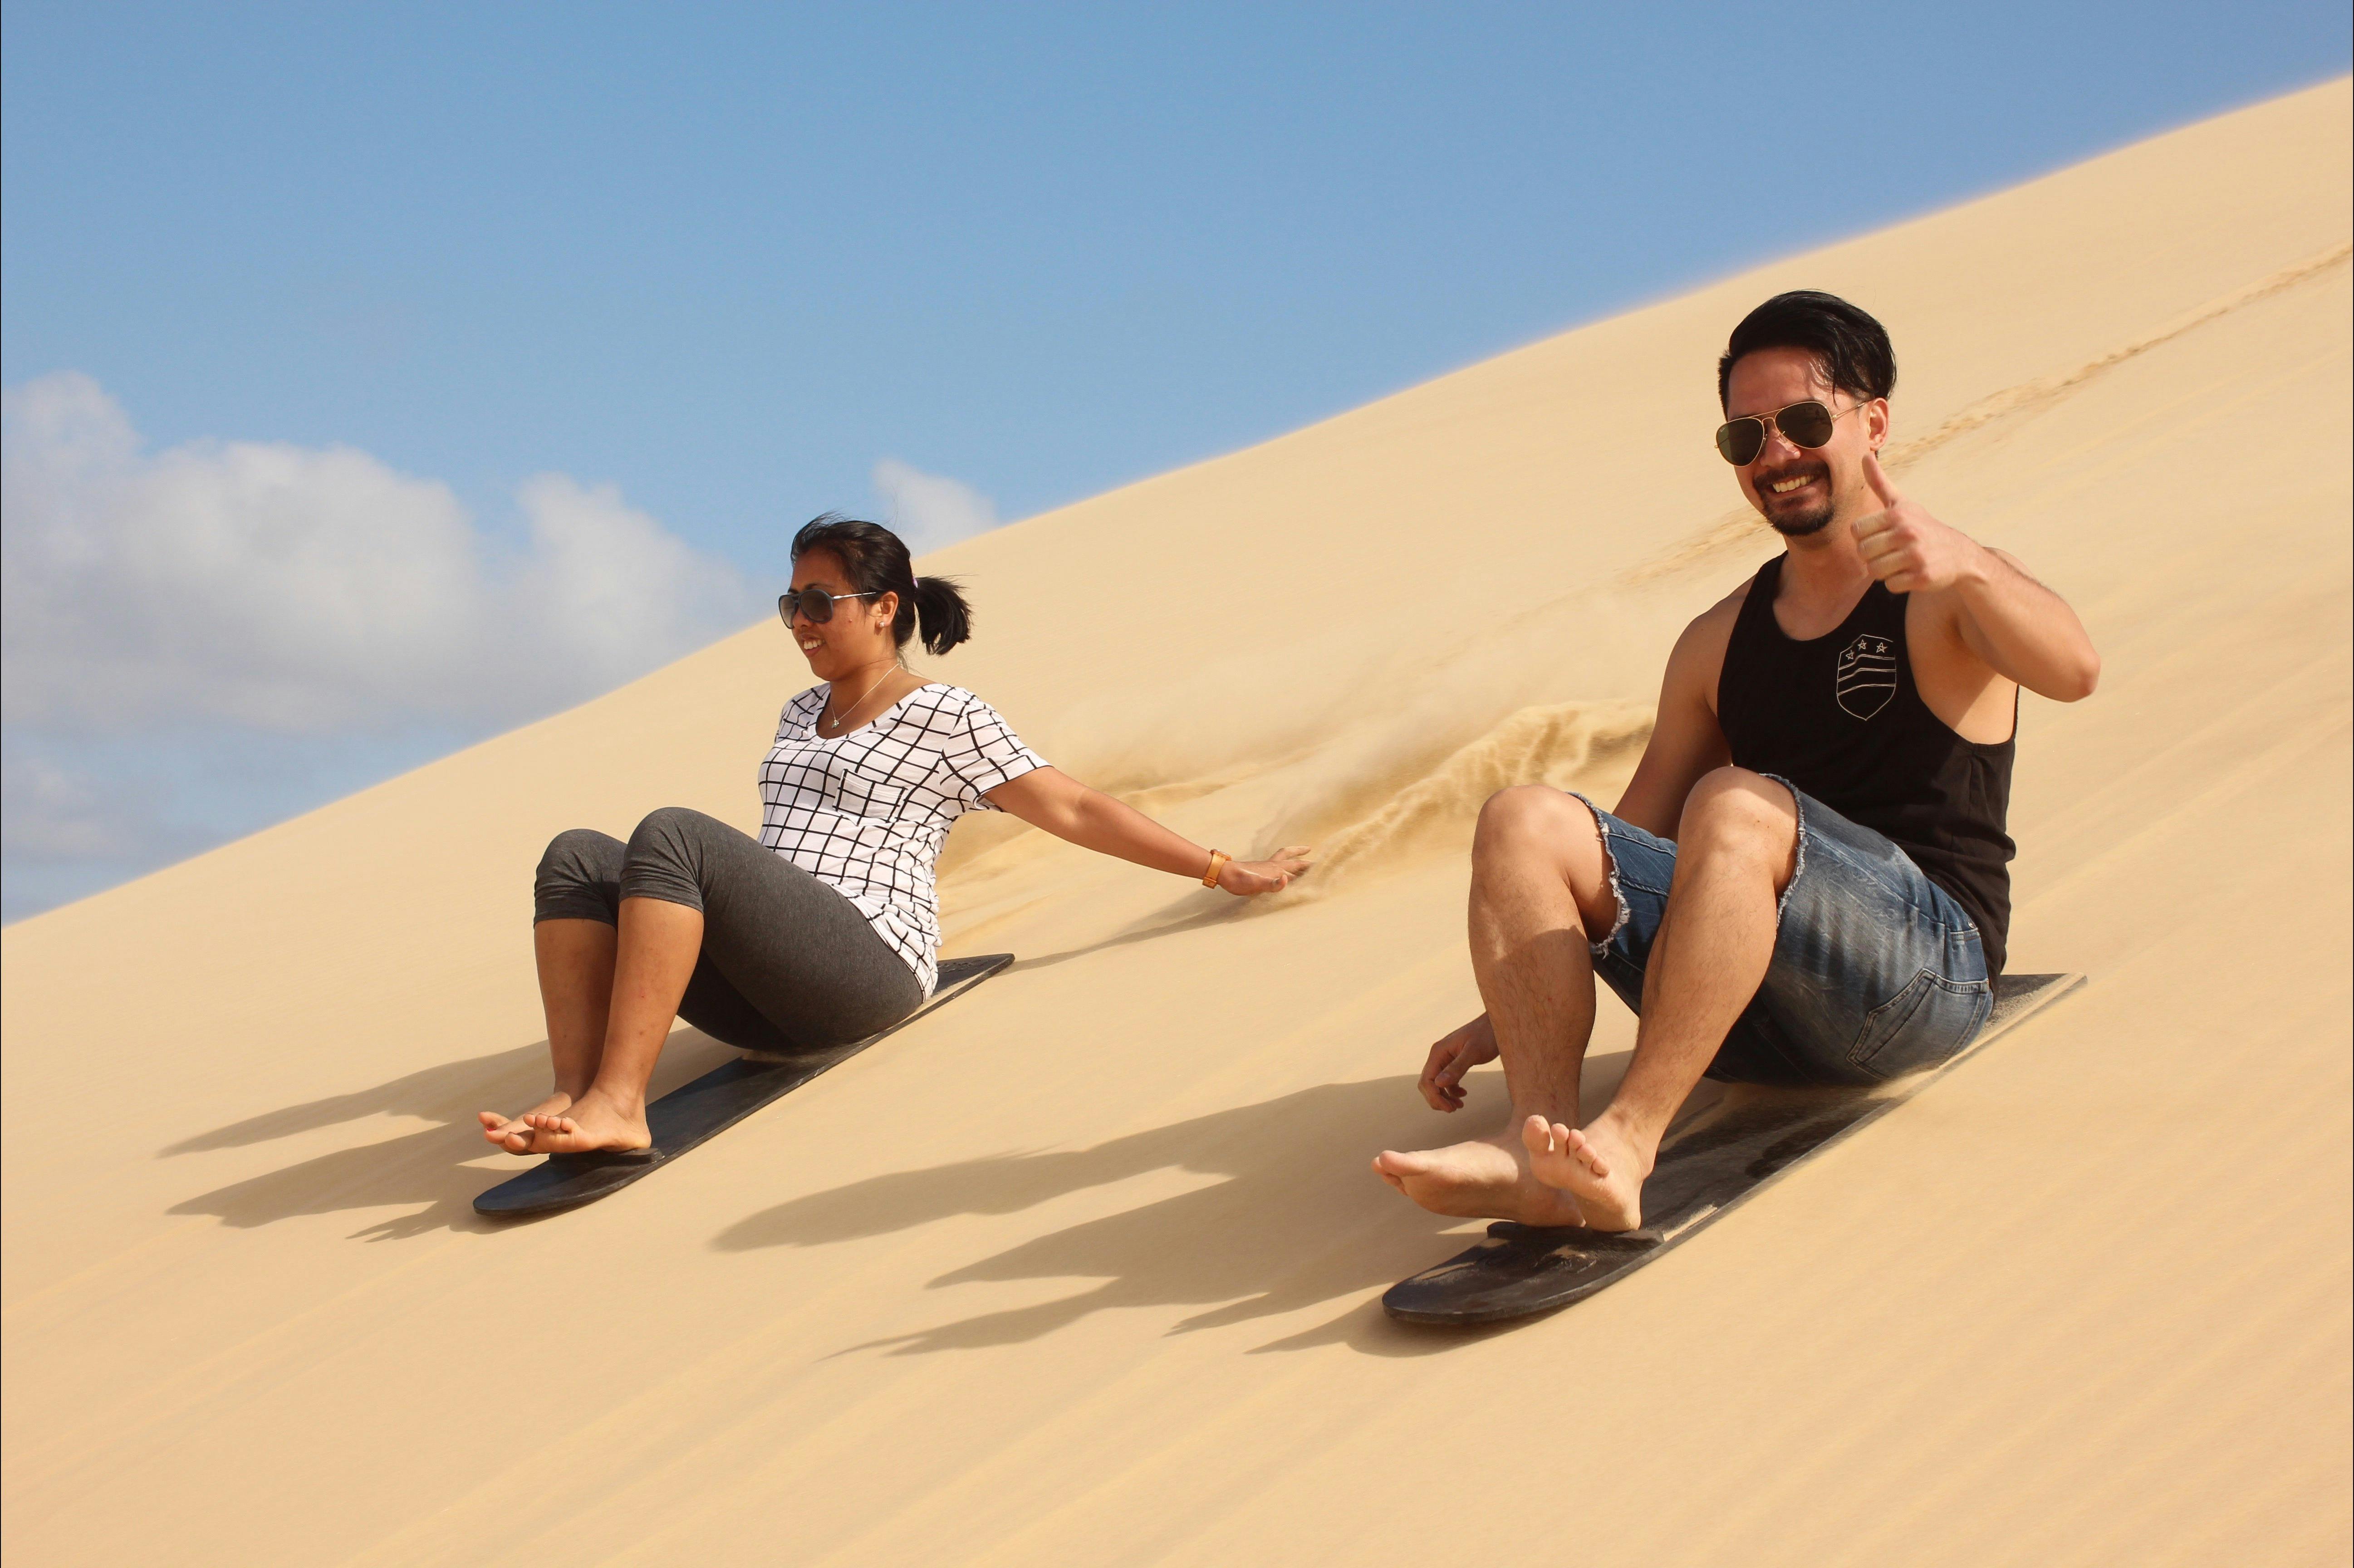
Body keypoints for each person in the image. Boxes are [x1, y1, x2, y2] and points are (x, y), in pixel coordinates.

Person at [1373, 290, 2099, 1231]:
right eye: (1742, 439)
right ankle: (1536, 1144)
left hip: (1925, 981)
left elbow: (2075, 669)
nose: (1775, 457)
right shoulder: (1715, 642)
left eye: (1801, 423)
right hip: (1745, 1020)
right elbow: (1620, 843)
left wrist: (1965, 559)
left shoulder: (1944, 590)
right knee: (1523, 816)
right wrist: (1511, 1010)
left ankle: (1626, 1146)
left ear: (1871, 423)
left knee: (1733, 803)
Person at [481, 514, 1311, 1155]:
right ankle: (576, 1089)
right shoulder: (801, 711)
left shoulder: (947, 714)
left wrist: (1221, 868)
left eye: (819, 604)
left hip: (866, 967)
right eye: (790, 605)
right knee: (579, 857)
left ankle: (622, 1107)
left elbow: (1074, 808)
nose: (801, 622)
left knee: (674, 833)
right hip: (767, 987)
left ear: (884, 609)